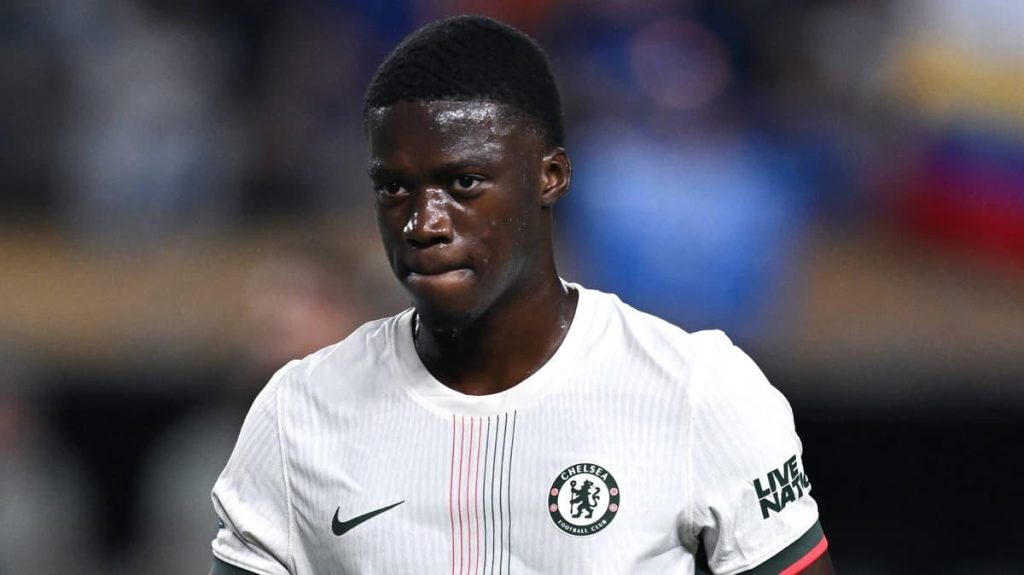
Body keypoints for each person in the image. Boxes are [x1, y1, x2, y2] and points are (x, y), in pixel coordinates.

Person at [210, 15, 833, 575]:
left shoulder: (697, 391)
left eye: (464, 182)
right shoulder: (296, 413)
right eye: (394, 188)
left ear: (550, 176)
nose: (423, 223)